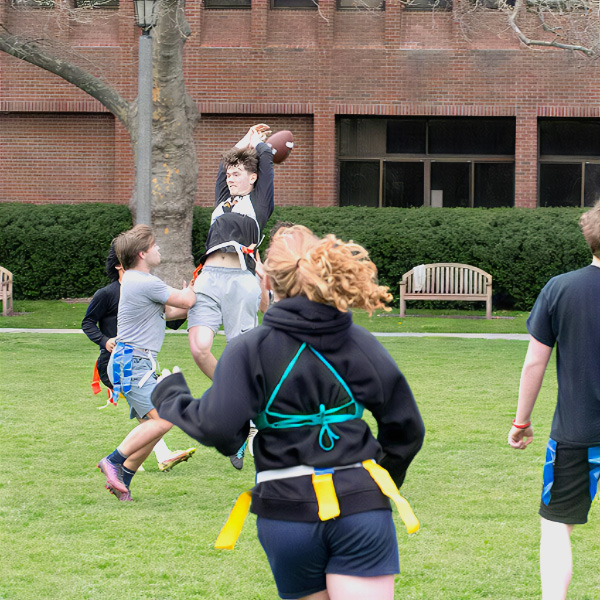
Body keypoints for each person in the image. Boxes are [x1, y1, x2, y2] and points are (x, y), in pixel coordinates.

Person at [152, 225, 425, 600]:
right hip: (362, 511)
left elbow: (221, 429)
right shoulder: (359, 343)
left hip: (285, 512)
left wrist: (172, 397)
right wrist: (375, 484)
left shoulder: (249, 349)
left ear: (264, 277)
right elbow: (406, 429)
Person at [508, 202, 600, 600]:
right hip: (576, 433)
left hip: (576, 433)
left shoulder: (560, 288)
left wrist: (521, 421)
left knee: (555, 527)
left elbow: (534, 364)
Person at [187, 123, 274, 469]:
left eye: (238, 173)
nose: (232, 177)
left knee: (242, 354)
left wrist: (262, 144)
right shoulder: (222, 200)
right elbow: (222, 164)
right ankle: (242, 404)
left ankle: (249, 422)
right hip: (207, 278)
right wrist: (246, 138)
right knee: (199, 348)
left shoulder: (258, 202)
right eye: (230, 173)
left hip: (241, 280)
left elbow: (264, 164)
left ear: (252, 178)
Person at [96, 225, 197, 501]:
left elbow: (175, 310)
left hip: (134, 362)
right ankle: (113, 461)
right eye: (155, 246)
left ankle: (124, 479)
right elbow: (186, 299)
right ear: (142, 253)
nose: (159, 249)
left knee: (152, 424)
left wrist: (189, 302)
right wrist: (198, 288)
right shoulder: (146, 282)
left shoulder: (133, 280)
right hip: (133, 363)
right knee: (164, 418)